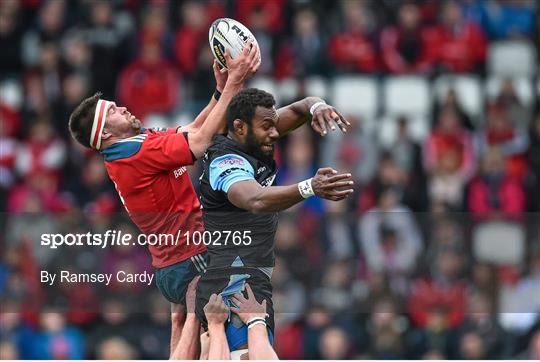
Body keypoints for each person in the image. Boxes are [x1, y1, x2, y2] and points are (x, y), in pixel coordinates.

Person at [67, 44, 260, 357]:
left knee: (215, 336)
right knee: (239, 331)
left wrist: (219, 91)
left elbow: (195, 128)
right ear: (104, 134)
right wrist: (236, 83)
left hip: (177, 262)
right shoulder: (134, 155)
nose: (122, 108)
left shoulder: (137, 141)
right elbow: (200, 142)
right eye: (113, 111)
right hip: (191, 257)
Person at [196, 88, 354, 354]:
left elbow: (300, 107)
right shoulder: (227, 162)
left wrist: (317, 107)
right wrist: (310, 188)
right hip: (232, 287)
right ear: (239, 127)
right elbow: (254, 200)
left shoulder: (253, 135)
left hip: (249, 281)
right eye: (266, 127)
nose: (274, 133)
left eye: (273, 125)